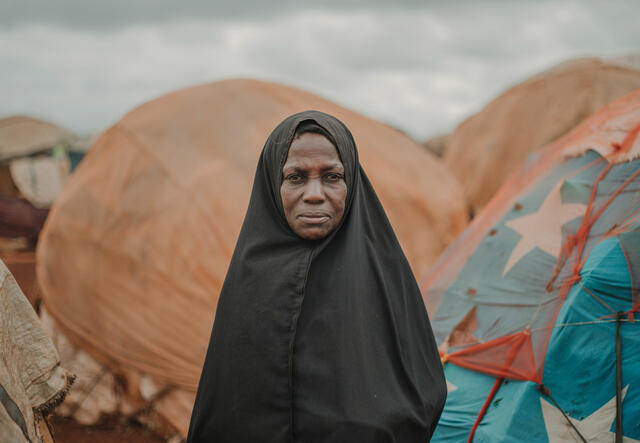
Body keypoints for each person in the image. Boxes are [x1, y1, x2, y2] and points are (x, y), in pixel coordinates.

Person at [187, 110, 446, 442]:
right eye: (296, 177)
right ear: (272, 183)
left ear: (351, 182)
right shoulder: (250, 280)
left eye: (331, 176)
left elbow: (423, 391)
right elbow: (222, 411)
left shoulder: (384, 274)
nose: (313, 194)